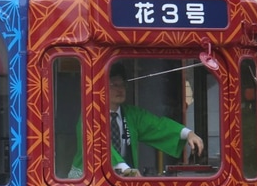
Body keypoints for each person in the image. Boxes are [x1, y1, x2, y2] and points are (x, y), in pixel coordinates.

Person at [71, 69, 205, 177]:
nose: (120, 89)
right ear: (102, 88)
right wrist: (124, 168)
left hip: (123, 179)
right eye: (114, 85)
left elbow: (157, 126)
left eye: (122, 84)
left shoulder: (132, 114)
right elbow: (98, 145)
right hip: (88, 181)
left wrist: (188, 134)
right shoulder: (90, 115)